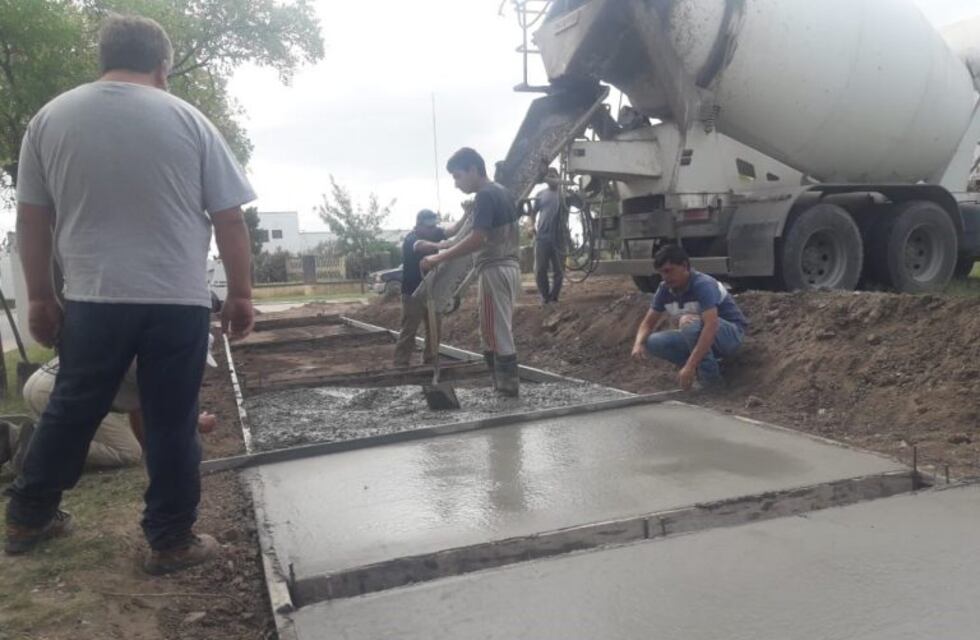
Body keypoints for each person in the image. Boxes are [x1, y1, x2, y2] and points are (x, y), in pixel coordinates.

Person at [6, 15, 255, 576]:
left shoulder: (50, 119)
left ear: (104, 58)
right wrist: (240, 294)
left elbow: (33, 220)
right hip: (177, 300)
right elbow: (230, 219)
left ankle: (28, 516)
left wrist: (42, 297)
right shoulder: (190, 121)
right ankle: (170, 540)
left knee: (72, 409)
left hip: (94, 298)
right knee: (171, 419)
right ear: (163, 66)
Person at [0, 356, 220, 475]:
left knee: (128, 446)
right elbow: (151, 412)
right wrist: (194, 422)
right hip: (56, 390)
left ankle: (14, 439)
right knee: (128, 453)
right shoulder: (156, 364)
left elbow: (139, 408)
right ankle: (37, 444)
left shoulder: (147, 347)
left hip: (40, 383)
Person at [421, 148, 521, 397]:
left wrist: (438, 257)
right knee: (495, 329)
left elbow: (478, 238)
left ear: (474, 170)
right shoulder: (503, 192)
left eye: (457, 176)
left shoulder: (485, 196)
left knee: (495, 333)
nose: (456, 184)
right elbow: (473, 234)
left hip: (494, 268)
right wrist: (442, 247)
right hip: (510, 266)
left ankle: (506, 391)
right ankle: (502, 388)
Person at [630, 245, 748, 390]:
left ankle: (712, 382)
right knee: (653, 342)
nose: (665, 277)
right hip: (702, 333)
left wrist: (689, 366)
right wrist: (638, 344)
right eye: (661, 273)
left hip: (730, 336)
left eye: (669, 271)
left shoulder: (703, 285)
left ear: (684, 266)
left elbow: (712, 325)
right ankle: (703, 367)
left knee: (689, 324)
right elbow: (647, 323)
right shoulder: (664, 289)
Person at [393, 208, 469, 367]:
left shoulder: (434, 233)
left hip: (432, 291)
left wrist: (466, 214)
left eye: (434, 226)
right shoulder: (411, 239)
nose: (433, 229)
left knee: (435, 329)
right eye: (429, 227)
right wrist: (447, 245)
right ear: (418, 225)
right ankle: (400, 363)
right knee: (409, 330)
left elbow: (452, 230)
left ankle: (430, 360)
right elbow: (423, 246)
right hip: (413, 293)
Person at [528, 167, 566, 305]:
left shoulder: (565, 194)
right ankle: (545, 296)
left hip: (559, 237)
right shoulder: (540, 194)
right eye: (549, 175)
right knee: (540, 269)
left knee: (559, 269)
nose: (551, 177)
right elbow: (532, 213)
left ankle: (554, 297)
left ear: (558, 176)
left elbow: (579, 204)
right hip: (542, 236)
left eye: (553, 174)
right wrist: (531, 226)